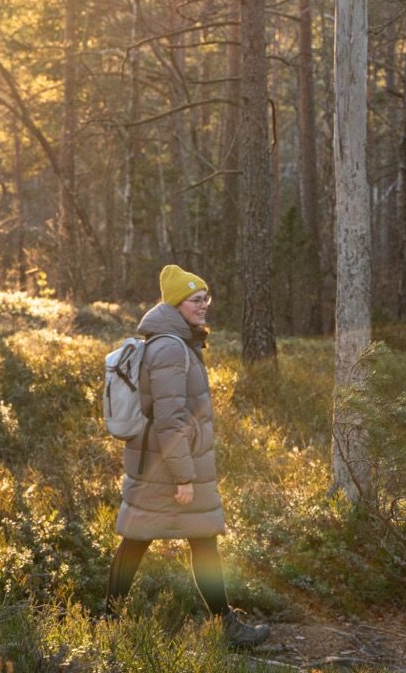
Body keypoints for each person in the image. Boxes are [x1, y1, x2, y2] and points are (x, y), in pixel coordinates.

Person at [105, 264, 270, 648]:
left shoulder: (175, 343)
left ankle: (221, 623)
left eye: (205, 299)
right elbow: (168, 418)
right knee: (141, 539)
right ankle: (112, 621)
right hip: (167, 467)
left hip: (162, 462)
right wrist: (183, 475)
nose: (204, 306)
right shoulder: (169, 348)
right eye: (197, 300)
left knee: (188, 538)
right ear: (177, 304)